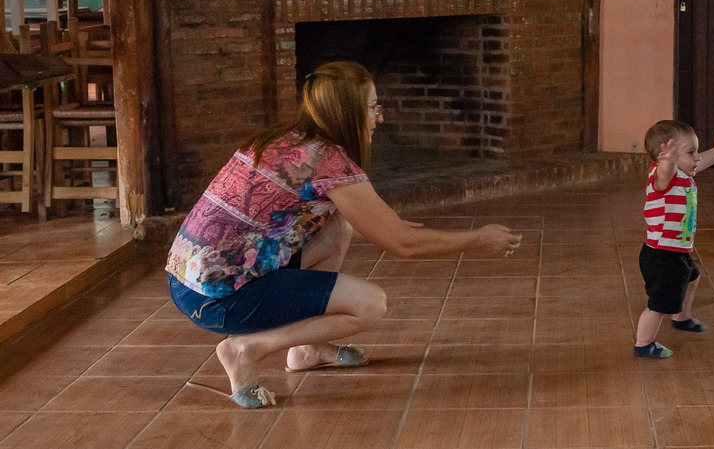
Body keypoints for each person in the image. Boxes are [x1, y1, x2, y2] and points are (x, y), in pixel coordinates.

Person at [164, 61, 521, 408]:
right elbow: (403, 245)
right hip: (220, 299)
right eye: (372, 107)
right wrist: (476, 239)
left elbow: (356, 223)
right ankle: (246, 349)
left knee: (338, 224)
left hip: (186, 282)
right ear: (347, 112)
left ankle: (309, 349)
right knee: (369, 304)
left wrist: (385, 226)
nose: (379, 117)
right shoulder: (329, 162)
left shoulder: (284, 140)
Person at [634, 119, 714, 359]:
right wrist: (667, 162)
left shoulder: (685, 174)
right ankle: (644, 344)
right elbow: (664, 173)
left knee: (691, 278)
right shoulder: (663, 177)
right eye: (691, 152)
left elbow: (701, 163)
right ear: (665, 156)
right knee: (658, 304)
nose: (697, 157)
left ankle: (681, 317)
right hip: (661, 256)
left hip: (676, 253)